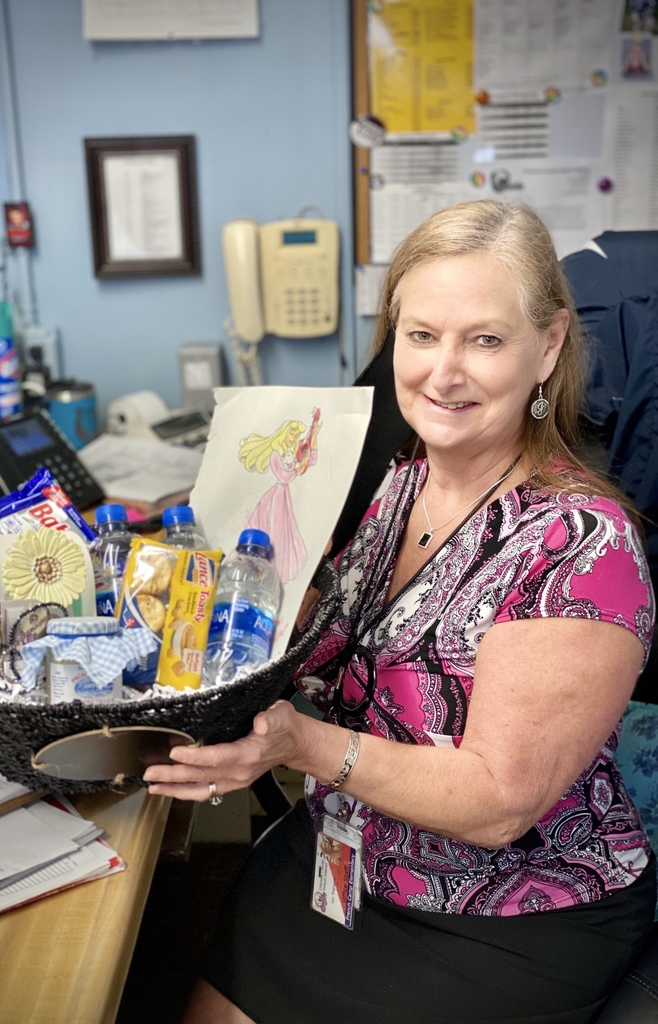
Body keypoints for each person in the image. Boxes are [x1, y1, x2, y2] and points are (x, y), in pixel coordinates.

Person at [144, 200, 656, 1024]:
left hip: (506, 917)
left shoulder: (581, 547)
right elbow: (338, 639)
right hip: (348, 855)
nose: (442, 373)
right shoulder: (400, 485)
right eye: (421, 336)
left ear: (548, 345)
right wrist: (238, 588)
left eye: (483, 340)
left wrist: (298, 744)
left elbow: (498, 801)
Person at [240, 414, 321, 584]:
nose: (293, 437)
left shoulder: (293, 451)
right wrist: (299, 467)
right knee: (275, 532)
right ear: (284, 432)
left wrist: (314, 436)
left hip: (285, 498)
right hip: (275, 499)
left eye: (296, 435)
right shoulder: (275, 453)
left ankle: (278, 574)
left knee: (284, 535)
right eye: (291, 433)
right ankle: (262, 572)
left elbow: (311, 460)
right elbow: (283, 477)